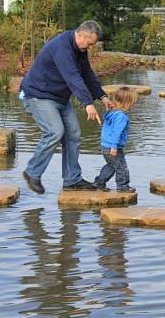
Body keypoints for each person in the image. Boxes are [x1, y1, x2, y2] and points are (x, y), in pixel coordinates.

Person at [19, 20, 113, 194]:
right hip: (38, 95)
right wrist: (87, 103)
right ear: (79, 34)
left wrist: (102, 95)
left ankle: (72, 180)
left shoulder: (80, 49)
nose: (90, 47)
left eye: (92, 44)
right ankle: (32, 172)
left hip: (59, 98)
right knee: (55, 131)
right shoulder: (62, 47)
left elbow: (86, 74)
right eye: (89, 43)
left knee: (73, 134)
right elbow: (73, 77)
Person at [93, 87, 138, 193]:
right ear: (126, 103)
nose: (133, 105)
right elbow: (116, 133)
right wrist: (114, 147)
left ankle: (99, 183)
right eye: (132, 103)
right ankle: (123, 186)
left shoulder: (112, 112)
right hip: (113, 147)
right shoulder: (121, 117)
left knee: (112, 166)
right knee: (121, 167)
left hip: (105, 146)